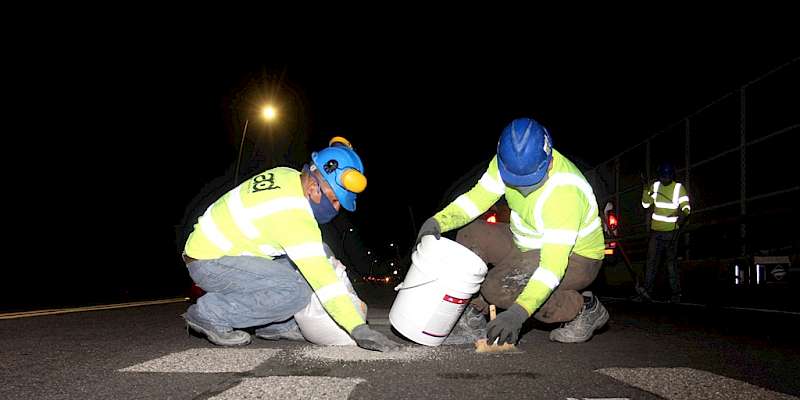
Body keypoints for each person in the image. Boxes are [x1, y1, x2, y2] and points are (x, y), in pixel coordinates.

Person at [181, 137, 400, 352]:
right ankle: (210, 314)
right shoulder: (293, 215)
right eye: (335, 200)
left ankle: (275, 326)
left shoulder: (287, 175)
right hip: (211, 262)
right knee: (296, 291)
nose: (336, 209)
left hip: (220, 250)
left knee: (309, 264)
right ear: (314, 188)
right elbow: (324, 283)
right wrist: (358, 329)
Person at [417, 117, 608, 345]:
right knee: (470, 234)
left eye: (530, 181)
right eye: (514, 180)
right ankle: (474, 315)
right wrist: (439, 222)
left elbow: (551, 267)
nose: (522, 188)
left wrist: (519, 313)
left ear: (547, 161)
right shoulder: (505, 162)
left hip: (576, 258)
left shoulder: (565, 193)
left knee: (498, 288)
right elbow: (477, 199)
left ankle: (583, 308)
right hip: (526, 240)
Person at [639, 162, 691, 303]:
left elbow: (686, 208)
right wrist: (645, 189)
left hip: (671, 233)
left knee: (670, 263)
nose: (664, 179)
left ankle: (675, 294)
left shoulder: (678, 188)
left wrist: (680, 214)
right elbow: (645, 204)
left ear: (671, 176)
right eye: (662, 177)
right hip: (656, 232)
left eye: (666, 177)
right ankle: (647, 292)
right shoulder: (655, 186)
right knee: (651, 262)